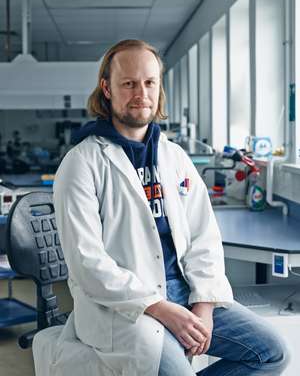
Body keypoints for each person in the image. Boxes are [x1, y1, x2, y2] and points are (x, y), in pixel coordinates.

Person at [53, 39, 289, 376]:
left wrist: (204, 306)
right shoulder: (82, 163)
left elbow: (203, 236)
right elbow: (87, 263)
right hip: (125, 309)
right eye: (129, 83)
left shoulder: (174, 156)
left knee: (271, 352)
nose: (141, 93)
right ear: (107, 88)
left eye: (149, 82)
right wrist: (161, 309)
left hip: (187, 295)